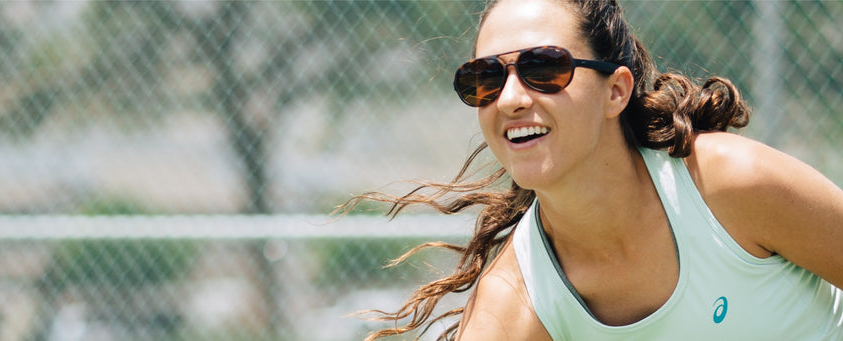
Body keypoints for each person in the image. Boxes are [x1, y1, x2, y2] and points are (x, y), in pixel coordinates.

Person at [341, 0, 843, 340]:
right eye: (485, 78)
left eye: (544, 68)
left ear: (616, 91)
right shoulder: (515, 300)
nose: (511, 98)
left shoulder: (729, 184)